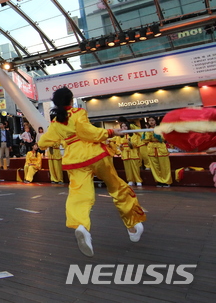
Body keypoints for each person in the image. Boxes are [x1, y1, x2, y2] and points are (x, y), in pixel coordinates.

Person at [38, 87, 146, 257]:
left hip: (75, 160)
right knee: (117, 188)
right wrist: (110, 131)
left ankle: (81, 226)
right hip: (95, 155)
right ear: (71, 100)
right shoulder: (78, 112)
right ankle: (132, 226)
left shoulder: (55, 123)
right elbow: (87, 132)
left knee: (79, 195)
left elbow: (44, 142)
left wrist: (55, 142)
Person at [142, 117, 172, 187]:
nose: (151, 122)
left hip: (161, 148)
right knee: (155, 167)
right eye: (149, 121)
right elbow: (145, 140)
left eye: (152, 120)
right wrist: (149, 133)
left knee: (164, 166)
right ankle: (159, 181)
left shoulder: (160, 128)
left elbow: (164, 138)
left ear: (156, 121)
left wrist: (157, 135)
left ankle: (166, 181)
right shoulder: (147, 130)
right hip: (151, 149)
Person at [115, 122, 142, 186]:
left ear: (128, 127)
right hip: (125, 153)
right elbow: (118, 144)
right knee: (128, 169)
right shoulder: (119, 136)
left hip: (133, 152)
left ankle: (138, 180)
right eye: (122, 126)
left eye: (125, 126)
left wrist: (130, 142)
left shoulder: (134, 135)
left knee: (135, 168)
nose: (124, 128)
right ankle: (130, 180)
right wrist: (120, 146)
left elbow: (136, 144)